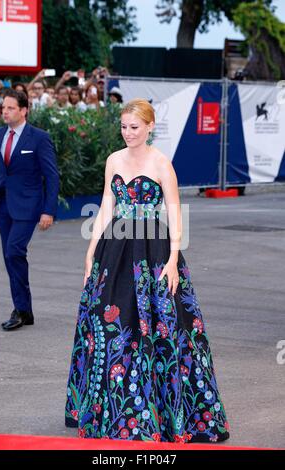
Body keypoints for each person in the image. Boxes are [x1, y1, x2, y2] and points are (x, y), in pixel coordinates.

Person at [65, 98, 230, 443]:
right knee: (109, 327)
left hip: (155, 249)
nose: (128, 133)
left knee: (163, 331)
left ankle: (164, 416)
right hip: (116, 249)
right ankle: (113, 412)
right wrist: (90, 252)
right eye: (124, 127)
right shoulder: (113, 160)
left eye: (134, 127)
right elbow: (107, 207)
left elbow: (175, 215)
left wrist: (172, 260)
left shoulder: (161, 163)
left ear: (150, 127)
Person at [0, 89, 59, 331]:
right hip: (3, 205)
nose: (4, 112)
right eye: (3, 108)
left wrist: (48, 210)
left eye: (10, 108)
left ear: (24, 110)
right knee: (11, 256)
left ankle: (21, 309)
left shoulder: (38, 138)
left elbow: (51, 175)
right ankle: (24, 310)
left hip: (28, 206)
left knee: (14, 251)